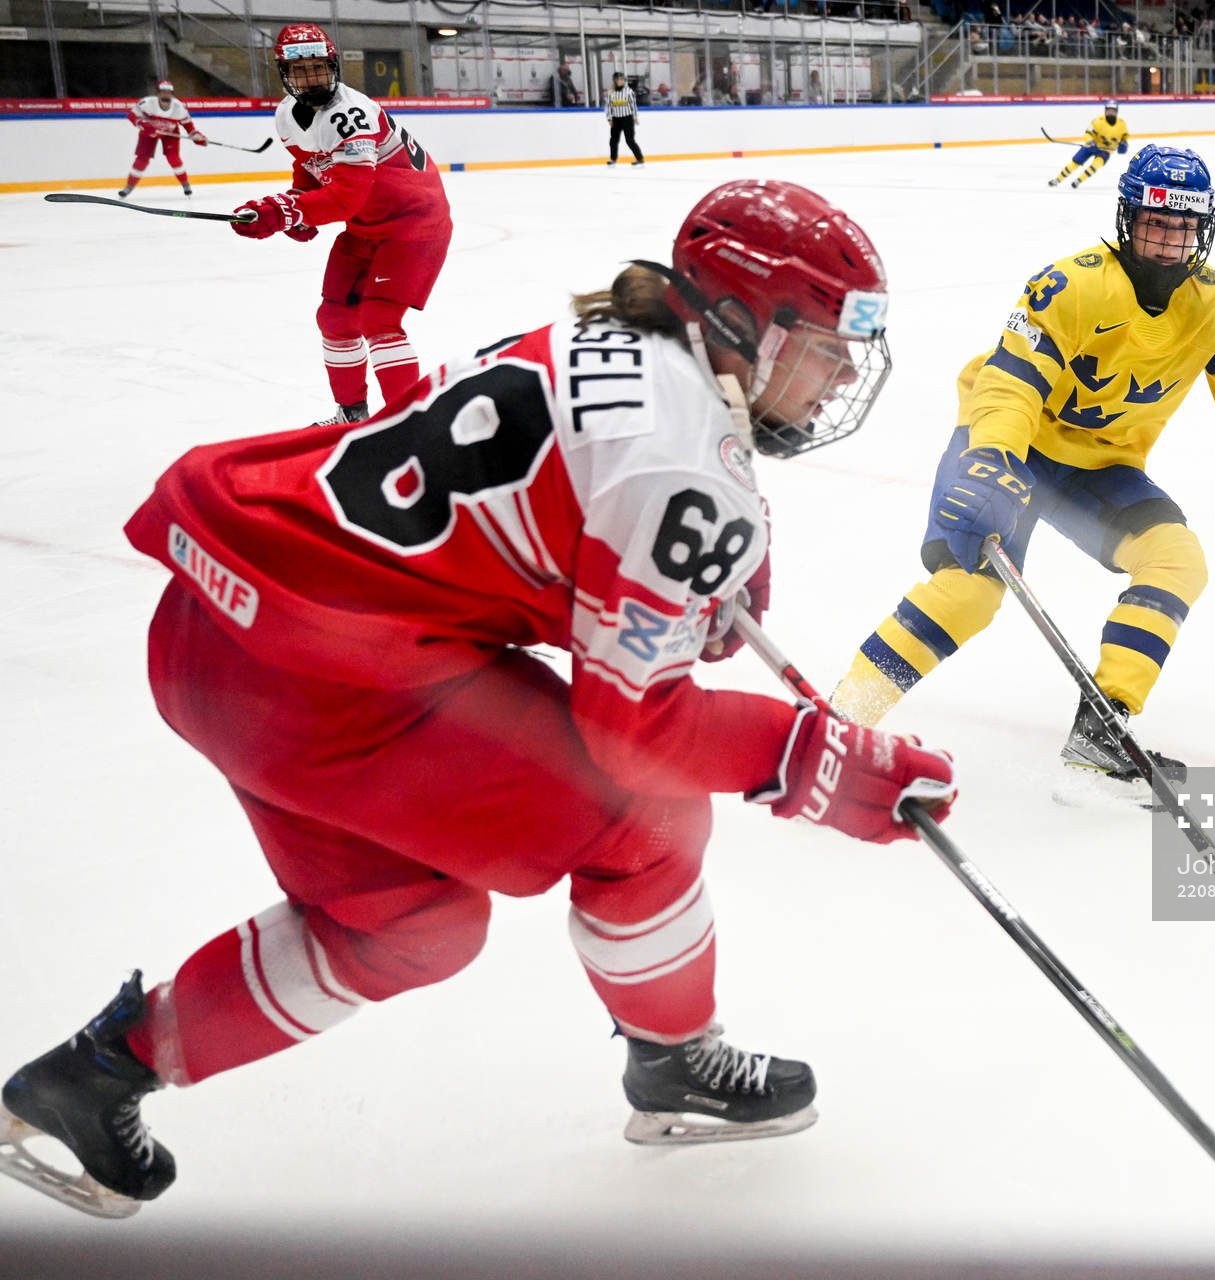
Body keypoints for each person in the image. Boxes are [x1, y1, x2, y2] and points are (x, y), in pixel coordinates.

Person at [0, 179, 957, 1220]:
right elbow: (635, 731)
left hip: (221, 641)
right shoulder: (687, 462)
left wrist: (677, 592)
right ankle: (675, 1061)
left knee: (411, 922)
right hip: (329, 677)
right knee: (648, 817)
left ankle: (91, 1077)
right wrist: (814, 759)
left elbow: (526, 530)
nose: (845, 372)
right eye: (828, 339)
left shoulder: (600, 335)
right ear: (739, 320)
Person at [831, 146, 1215, 805]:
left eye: (1182, 229)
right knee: (968, 592)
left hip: (1101, 471)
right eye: (1156, 225)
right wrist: (990, 458)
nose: (1167, 243)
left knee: (1177, 561)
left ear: (1203, 230)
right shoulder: (1070, 286)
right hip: (1007, 449)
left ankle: (1103, 733)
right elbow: (1010, 386)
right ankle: (837, 725)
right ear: (1128, 221)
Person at [229, 23, 454, 427]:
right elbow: (312, 171)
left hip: (414, 224)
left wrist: (287, 211)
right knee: (334, 319)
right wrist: (295, 203)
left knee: (379, 321)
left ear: (332, 65)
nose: (310, 78)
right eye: (299, 71)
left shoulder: (350, 114)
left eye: (317, 68)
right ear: (284, 73)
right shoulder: (286, 115)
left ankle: (407, 426)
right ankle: (352, 415)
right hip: (366, 226)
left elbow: (348, 196)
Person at [119, 79, 205, 199]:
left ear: (172, 93)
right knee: (142, 159)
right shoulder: (147, 103)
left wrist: (197, 137)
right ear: (158, 93)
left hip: (170, 133)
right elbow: (132, 115)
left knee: (173, 158)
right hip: (148, 132)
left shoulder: (179, 108)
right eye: (163, 91)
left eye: (168, 92)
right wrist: (142, 124)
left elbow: (189, 128)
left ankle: (185, 184)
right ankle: (128, 187)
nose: (165, 94)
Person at [1049, 98, 1129, 189]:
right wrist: (1090, 141)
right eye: (1109, 110)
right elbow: (1088, 132)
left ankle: (1078, 180)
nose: (1111, 112)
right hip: (1092, 146)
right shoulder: (1098, 121)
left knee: (1095, 165)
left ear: (1116, 111)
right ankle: (1058, 179)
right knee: (1076, 161)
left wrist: (1124, 144)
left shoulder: (1122, 125)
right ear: (1105, 110)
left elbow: (1124, 137)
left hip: (1105, 151)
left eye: (1113, 110)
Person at [606, 71, 645, 165]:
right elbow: (609, 106)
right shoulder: (611, 92)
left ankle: (639, 158)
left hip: (627, 118)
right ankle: (613, 159)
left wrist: (635, 117)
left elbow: (633, 105)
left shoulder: (629, 91)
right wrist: (609, 118)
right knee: (613, 140)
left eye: (622, 79)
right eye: (618, 79)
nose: (620, 81)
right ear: (615, 81)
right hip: (616, 119)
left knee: (629, 140)